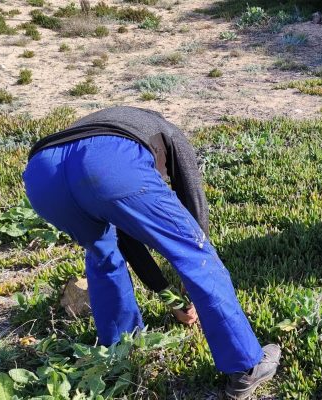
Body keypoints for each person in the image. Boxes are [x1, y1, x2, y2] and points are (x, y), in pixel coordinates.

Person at [23, 106, 279, 399]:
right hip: (107, 162)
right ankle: (248, 366)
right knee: (196, 253)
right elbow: (192, 200)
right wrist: (191, 275)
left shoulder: (126, 127)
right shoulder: (167, 132)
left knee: (103, 256)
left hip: (43, 175)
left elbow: (125, 240)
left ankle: (120, 354)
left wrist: (171, 298)